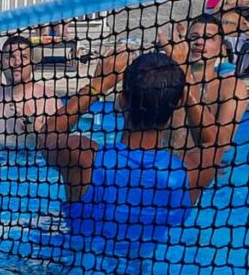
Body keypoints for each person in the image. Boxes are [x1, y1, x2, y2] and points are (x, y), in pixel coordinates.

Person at [37, 49, 221, 242]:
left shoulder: (83, 158)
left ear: (122, 100)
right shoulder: (191, 174)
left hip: (71, 267)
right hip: (142, 271)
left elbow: (47, 135)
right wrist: (186, 84)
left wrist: (99, 84)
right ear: (179, 103)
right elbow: (213, 142)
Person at [163, 16, 248, 159]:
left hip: (203, 169)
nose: (199, 42)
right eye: (194, 37)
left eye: (208, 38)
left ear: (222, 50)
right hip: (162, 165)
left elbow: (223, 143)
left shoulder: (231, 87)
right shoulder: (166, 81)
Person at [0, 36, 60, 148]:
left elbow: (60, 144)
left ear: (32, 65)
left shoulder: (49, 99)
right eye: (11, 57)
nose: (17, 62)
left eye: (24, 57)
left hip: (32, 162)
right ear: (1, 64)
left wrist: (32, 123)